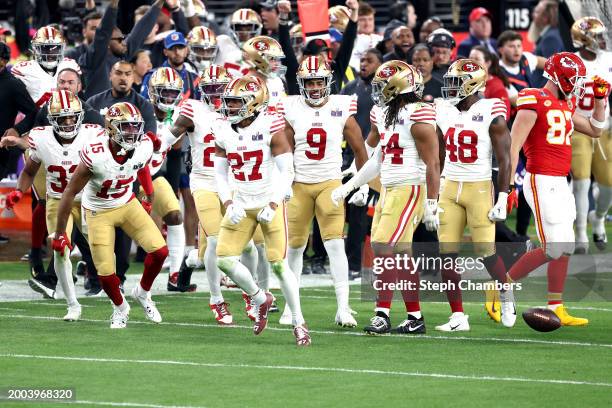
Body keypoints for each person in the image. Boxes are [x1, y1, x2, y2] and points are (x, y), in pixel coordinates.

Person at [331, 60, 440, 335]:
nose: (378, 91)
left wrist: (432, 204)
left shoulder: (419, 114)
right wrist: (350, 186)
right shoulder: (384, 113)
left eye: (383, 86)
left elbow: (433, 163)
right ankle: (415, 318)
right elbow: (377, 159)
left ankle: (382, 314)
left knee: (381, 245)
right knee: (401, 254)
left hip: (410, 187)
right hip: (390, 188)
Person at [504, 52, 610, 327]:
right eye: (573, 80)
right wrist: (507, 186)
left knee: (566, 246)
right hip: (541, 179)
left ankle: (556, 305)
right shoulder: (533, 99)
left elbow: (597, 129)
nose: (577, 85)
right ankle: (503, 285)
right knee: (553, 247)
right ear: (560, 77)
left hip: (560, 181)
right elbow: (513, 146)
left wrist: (601, 101)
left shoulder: (565, 104)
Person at [213, 75, 311, 346]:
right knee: (223, 259)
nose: (229, 108)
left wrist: (273, 203)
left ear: (254, 103)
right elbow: (219, 175)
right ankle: (260, 298)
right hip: (241, 203)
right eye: (229, 102)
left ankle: (299, 322)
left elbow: (287, 170)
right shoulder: (223, 129)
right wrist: (228, 202)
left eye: (236, 103)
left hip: (269, 201)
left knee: (279, 266)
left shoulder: (271, 126)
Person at [53, 102, 168, 329]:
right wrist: (59, 232)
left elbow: (141, 164)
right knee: (105, 274)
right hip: (98, 211)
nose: (132, 133)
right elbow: (69, 192)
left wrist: (149, 194)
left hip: (127, 203)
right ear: (112, 128)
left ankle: (143, 293)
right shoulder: (96, 153)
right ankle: (120, 307)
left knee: (160, 251)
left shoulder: (143, 144)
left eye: (136, 127)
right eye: (126, 127)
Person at [280, 55, 367, 328]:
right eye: (310, 82)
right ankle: (289, 306)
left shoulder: (341, 106)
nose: (315, 87)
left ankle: (343, 307)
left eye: (319, 82)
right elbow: (283, 151)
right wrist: (281, 182)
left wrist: (362, 183)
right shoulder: (290, 107)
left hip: (331, 183)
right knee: (293, 249)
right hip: (299, 184)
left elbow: (360, 149)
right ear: (301, 83)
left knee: (334, 245)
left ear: (328, 82)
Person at [4, 91, 104, 321]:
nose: (68, 122)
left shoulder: (93, 134)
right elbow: (29, 170)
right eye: (62, 118)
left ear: (80, 116)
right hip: (58, 200)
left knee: (100, 245)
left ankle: (108, 283)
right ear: (51, 119)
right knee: (60, 251)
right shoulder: (41, 137)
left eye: (72, 117)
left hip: (88, 198)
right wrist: (19, 191)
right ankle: (72, 304)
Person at [434, 59, 514, 330]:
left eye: (456, 82)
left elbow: (504, 160)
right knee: (446, 253)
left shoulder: (492, 110)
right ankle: (457, 316)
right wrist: (432, 194)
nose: (450, 88)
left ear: (473, 84)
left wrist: (503, 197)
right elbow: (440, 154)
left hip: (478, 186)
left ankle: (506, 291)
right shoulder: (443, 109)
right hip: (449, 186)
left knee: (485, 252)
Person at [145, 67, 193, 292]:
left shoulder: (177, 116)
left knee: (175, 215)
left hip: (153, 175)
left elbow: (174, 154)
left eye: (174, 93)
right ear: (153, 92)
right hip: (126, 176)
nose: (170, 98)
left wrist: (173, 189)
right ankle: (91, 268)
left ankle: (175, 274)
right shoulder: (142, 111)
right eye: (165, 92)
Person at [569, 17, 612, 253]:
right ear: (583, 40)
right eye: (596, 36)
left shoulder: (608, 59)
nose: (602, 39)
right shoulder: (571, 62)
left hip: (604, 128)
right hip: (579, 127)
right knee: (581, 183)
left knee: (608, 187)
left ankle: (598, 217)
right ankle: (581, 235)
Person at [340, 48, 382, 279]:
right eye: (362, 60)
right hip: (354, 157)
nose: (364, 64)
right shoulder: (350, 88)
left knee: (372, 214)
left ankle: (363, 263)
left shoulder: (385, 90)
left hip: (381, 159)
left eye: (370, 60)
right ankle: (352, 265)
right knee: (353, 213)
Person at [79, 0, 161, 99]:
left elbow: (141, 30)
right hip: (95, 112)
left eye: (123, 38)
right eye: (119, 40)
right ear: (107, 43)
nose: (123, 42)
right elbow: (103, 31)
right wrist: (113, 4)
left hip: (121, 112)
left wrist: (160, 3)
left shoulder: (122, 54)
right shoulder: (93, 58)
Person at [11, 25, 81, 104]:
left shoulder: (70, 65)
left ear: (61, 48)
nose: (50, 53)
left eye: (55, 48)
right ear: (35, 49)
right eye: (45, 48)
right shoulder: (23, 70)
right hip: (36, 114)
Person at [88, 60, 156, 134]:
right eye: (118, 73)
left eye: (128, 74)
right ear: (110, 76)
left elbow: (149, 139)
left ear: (133, 78)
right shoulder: (93, 102)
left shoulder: (145, 106)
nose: (123, 78)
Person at [141, 31, 201, 100]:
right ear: (165, 52)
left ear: (186, 50)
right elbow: (145, 106)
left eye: (180, 47)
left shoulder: (195, 78)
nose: (177, 52)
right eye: (172, 49)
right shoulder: (152, 76)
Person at [216, 8, 262, 78]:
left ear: (258, 29)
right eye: (239, 28)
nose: (244, 33)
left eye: (249, 29)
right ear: (231, 29)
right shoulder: (223, 42)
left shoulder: (264, 51)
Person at [529, 0, 564, 87]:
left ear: (545, 17)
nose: (533, 15)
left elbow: (552, 72)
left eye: (537, 12)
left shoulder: (550, 38)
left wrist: (544, 94)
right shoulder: (550, 34)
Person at [469, 45, 511, 114]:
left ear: (488, 63)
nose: (471, 63)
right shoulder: (465, 81)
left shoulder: (496, 87)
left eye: (477, 59)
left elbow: (504, 116)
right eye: (470, 58)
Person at [350, 1, 383, 71]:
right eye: (362, 20)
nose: (367, 24)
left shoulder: (381, 39)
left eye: (370, 19)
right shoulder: (348, 41)